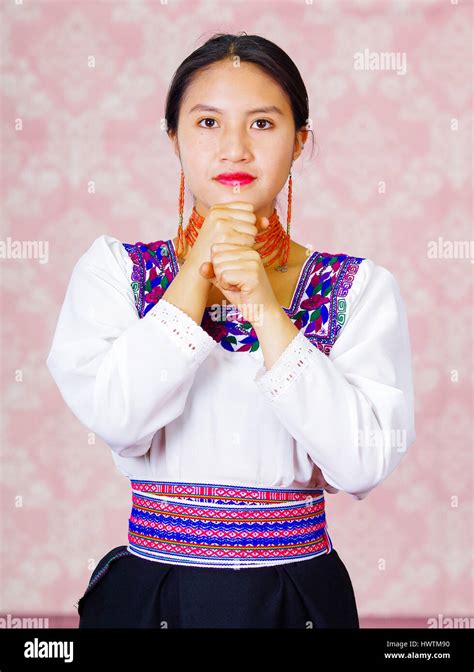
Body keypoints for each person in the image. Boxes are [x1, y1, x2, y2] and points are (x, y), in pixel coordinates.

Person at [45, 32, 416, 629]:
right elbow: (119, 418)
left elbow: (361, 463)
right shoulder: (116, 271)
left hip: (295, 594)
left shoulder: (359, 287)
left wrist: (268, 311)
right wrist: (195, 272)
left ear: (300, 142)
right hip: (151, 591)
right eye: (208, 123)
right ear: (174, 139)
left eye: (264, 125)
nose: (235, 150)